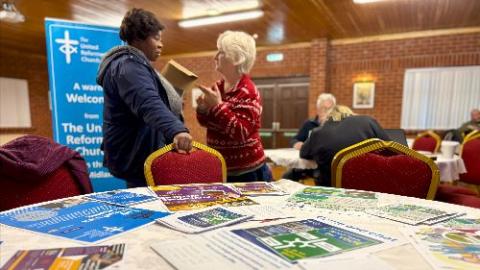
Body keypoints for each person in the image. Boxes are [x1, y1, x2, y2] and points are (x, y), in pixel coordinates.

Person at [96, 8, 192, 187]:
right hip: (136, 154)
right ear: (139, 37)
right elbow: (147, 102)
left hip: (139, 150)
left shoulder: (134, 64)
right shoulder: (128, 67)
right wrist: (177, 129)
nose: (161, 44)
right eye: (156, 38)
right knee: (148, 209)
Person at [196, 30, 271, 182]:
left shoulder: (248, 91)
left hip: (248, 171)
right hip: (222, 167)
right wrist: (203, 109)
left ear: (237, 58)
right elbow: (207, 123)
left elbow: (240, 133)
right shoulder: (218, 86)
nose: (215, 56)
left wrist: (217, 106)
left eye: (221, 52)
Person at [300, 105, 389, 186]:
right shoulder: (368, 121)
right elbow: (391, 147)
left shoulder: (318, 132)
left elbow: (303, 153)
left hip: (329, 188)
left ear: (329, 117)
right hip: (368, 185)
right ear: (351, 113)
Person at [282, 93, 336, 182]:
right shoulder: (309, 124)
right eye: (324, 108)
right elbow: (294, 139)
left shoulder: (336, 125)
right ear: (318, 109)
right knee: (287, 176)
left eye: (330, 109)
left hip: (326, 165)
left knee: (323, 177)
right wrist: (296, 143)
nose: (327, 111)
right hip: (307, 164)